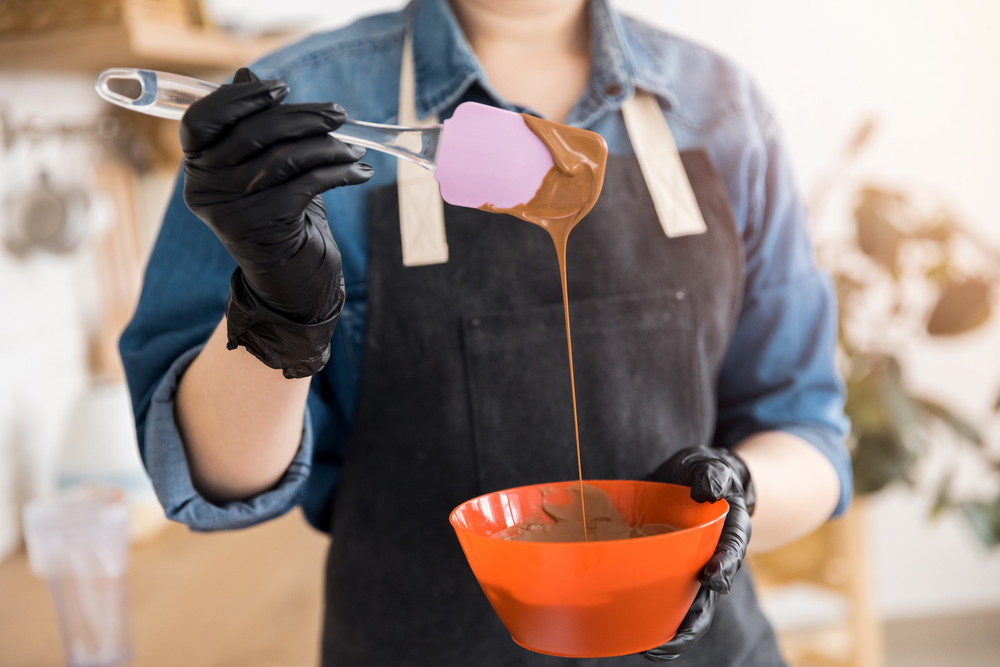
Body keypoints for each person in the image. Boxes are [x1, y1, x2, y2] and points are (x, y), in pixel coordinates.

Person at [119, 0, 852, 665]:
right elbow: (213, 475)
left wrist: (740, 495)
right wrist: (280, 311)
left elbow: (809, 433)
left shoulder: (722, 108)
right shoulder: (282, 124)